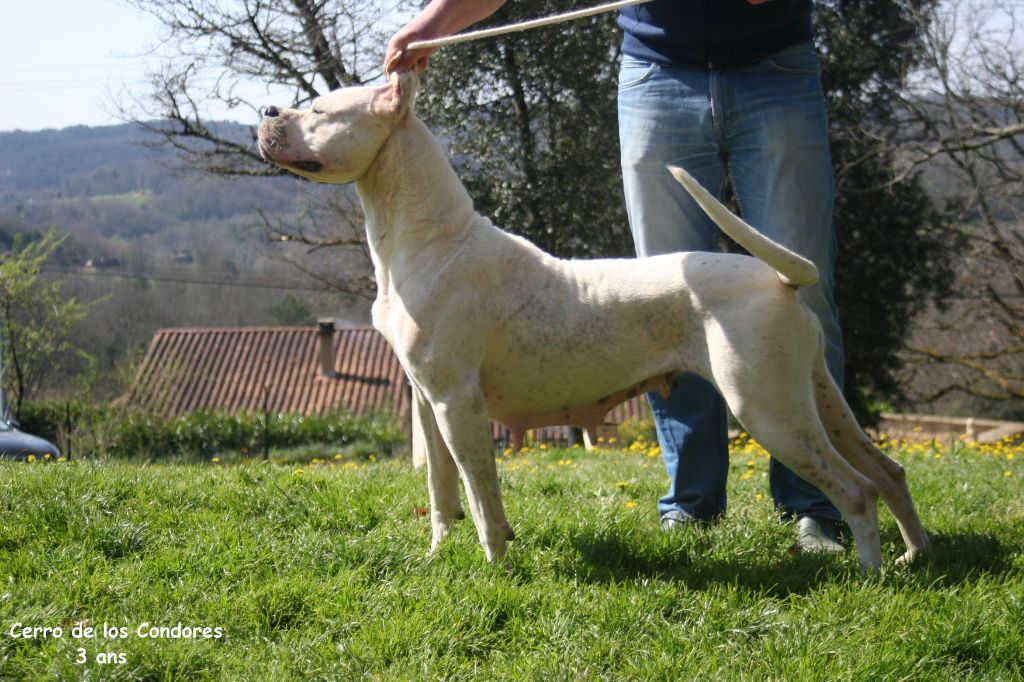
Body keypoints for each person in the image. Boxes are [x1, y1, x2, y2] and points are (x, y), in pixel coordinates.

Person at [386, 0, 845, 552]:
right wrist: (431, 25)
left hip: (776, 68)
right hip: (656, 75)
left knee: (801, 294)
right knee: (663, 306)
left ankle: (816, 507)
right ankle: (692, 506)